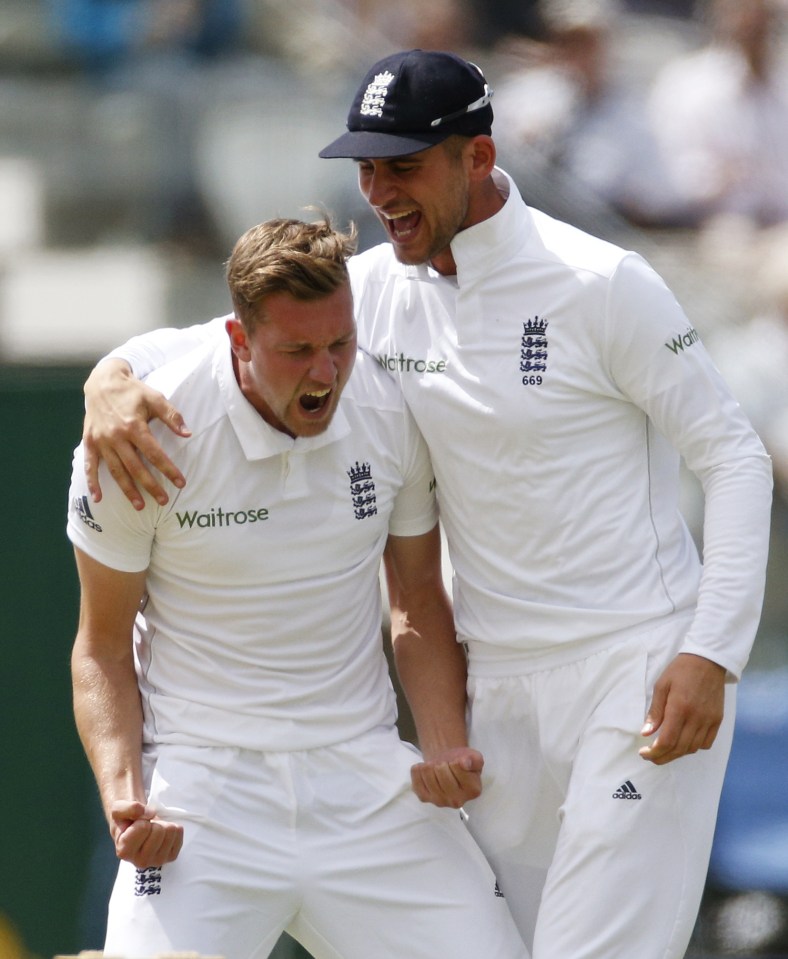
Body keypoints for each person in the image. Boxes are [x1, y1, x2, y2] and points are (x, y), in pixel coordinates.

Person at [80, 50, 773, 959]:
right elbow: (219, 339)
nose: (378, 191)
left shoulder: (602, 282)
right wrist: (109, 380)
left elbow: (735, 455)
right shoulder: (371, 291)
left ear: (477, 159)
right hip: (499, 697)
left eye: (402, 165)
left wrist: (710, 650)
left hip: (635, 667)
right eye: (366, 167)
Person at [67, 215, 529, 959]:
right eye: (298, 351)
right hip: (201, 799)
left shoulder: (386, 406)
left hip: (366, 775)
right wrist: (125, 795)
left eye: (340, 343)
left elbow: (414, 600)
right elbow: (102, 648)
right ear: (239, 339)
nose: (327, 372)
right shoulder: (144, 435)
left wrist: (442, 745)